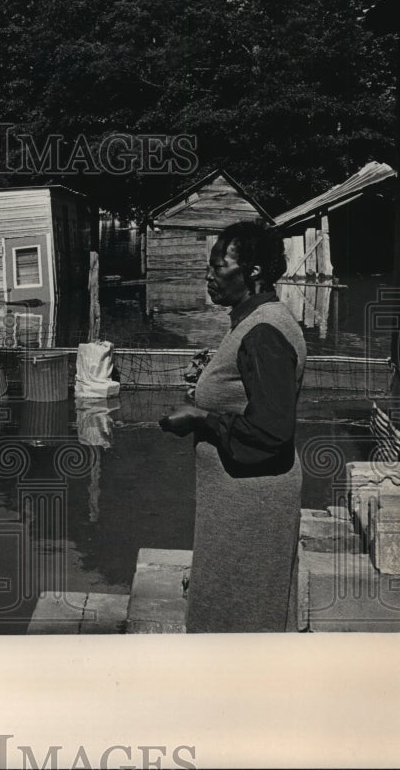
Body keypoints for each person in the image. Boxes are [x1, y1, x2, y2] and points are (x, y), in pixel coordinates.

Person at [159, 220, 307, 632]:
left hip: (252, 502)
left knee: (242, 616)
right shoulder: (258, 321)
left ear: (253, 271)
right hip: (240, 499)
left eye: (218, 265)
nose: (209, 274)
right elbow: (250, 392)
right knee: (239, 612)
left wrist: (199, 417)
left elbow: (271, 433)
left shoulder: (263, 332)